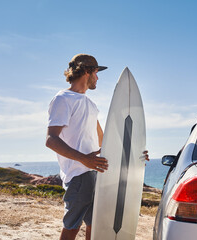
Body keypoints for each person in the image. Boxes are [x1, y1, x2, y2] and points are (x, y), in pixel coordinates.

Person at [46, 54, 148, 240]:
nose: (98, 78)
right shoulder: (63, 99)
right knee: (72, 227)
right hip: (78, 175)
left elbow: (105, 142)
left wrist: (134, 151)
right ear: (86, 71)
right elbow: (51, 140)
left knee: (97, 225)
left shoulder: (90, 104)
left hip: (95, 173)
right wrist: (84, 159)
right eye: (96, 72)